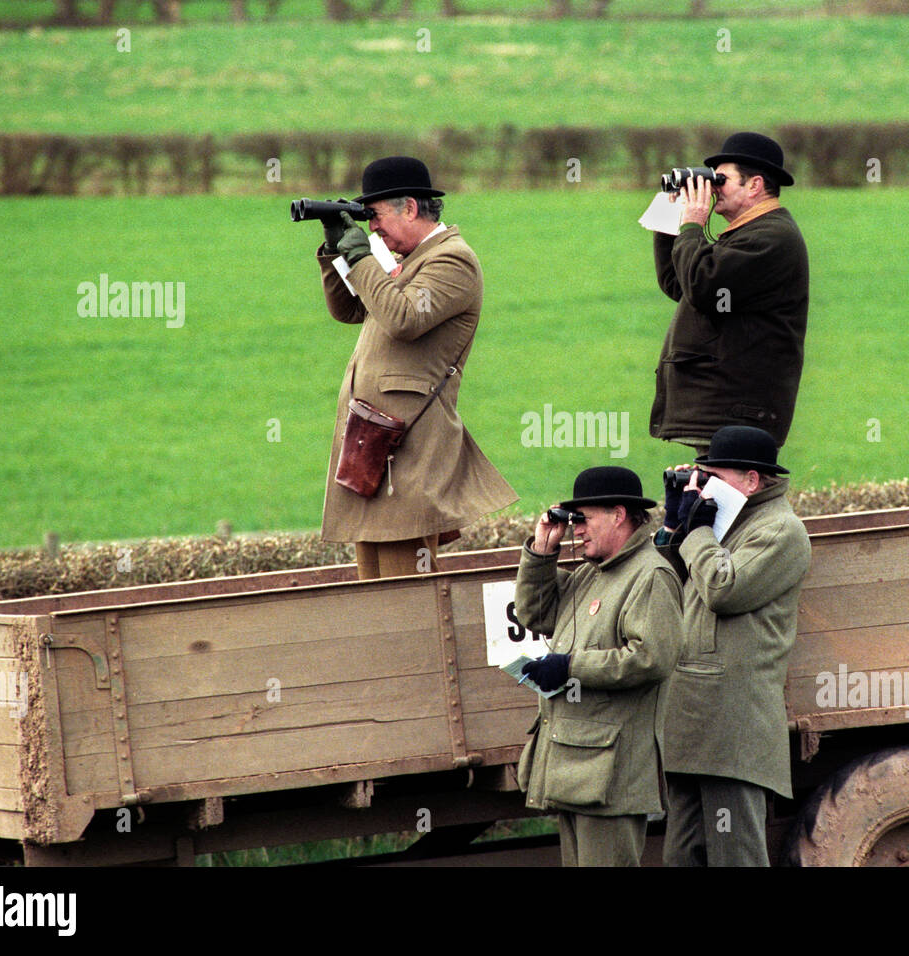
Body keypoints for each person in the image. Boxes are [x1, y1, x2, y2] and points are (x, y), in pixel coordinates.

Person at [314, 156, 516, 579]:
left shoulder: (452, 261)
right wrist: (337, 251)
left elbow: (404, 319)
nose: (372, 228)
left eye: (376, 215)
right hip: (372, 445)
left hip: (408, 451)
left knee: (408, 596)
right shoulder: (408, 260)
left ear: (409, 207)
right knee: (374, 594)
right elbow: (350, 309)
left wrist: (361, 257)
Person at [655, 425, 811, 866]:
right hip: (691, 719)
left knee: (734, 855)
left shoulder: (780, 530)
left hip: (733, 727)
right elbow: (669, 584)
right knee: (683, 856)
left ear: (751, 480)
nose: (704, 488)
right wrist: (674, 526)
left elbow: (724, 589)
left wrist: (699, 531)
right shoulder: (724, 522)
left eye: (713, 478)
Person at [514, 466, 682, 866]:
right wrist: (542, 551)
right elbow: (536, 613)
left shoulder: (650, 575)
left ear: (619, 515)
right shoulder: (593, 573)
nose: (577, 530)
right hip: (578, 768)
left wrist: (570, 667)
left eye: (584, 519)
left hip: (612, 775)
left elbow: (650, 658)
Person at [651, 132, 809, 454]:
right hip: (724, 412)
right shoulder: (748, 233)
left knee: (729, 500)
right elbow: (678, 284)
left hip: (738, 416)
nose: (712, 187)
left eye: (721, 179)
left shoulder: (771, 237)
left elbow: (702, 286)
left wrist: (693, 225)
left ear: (754, 185)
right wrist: (672, 220)